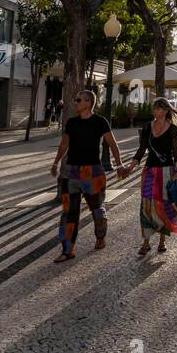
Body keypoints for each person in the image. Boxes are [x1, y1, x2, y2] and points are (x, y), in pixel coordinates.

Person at [49, 88, 125, 262]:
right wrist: (55, 163)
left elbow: (112, 144)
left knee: (97, 209)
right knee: (69, 212)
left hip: (94, 172)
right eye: (76, 100)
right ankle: (67, 250)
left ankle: (100, 236)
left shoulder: (100, 122)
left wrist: (119, 164)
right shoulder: (71, 122)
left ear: (89, 103)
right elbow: (64, 144)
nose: (76, 102)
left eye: (79, 100)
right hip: (71, 172)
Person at [125, 98, 177, 256]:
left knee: (163, 204)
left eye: (158, 109)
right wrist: (130, 167)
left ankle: (162, 241)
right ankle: (146, 242)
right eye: (154, 109)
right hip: (150, 170)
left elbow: (176, 152)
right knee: (146, 205)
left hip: (166, 171)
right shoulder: (146, 127)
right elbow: (141, 149)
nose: (155, 112)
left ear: (165, 111)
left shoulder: (172, 129)